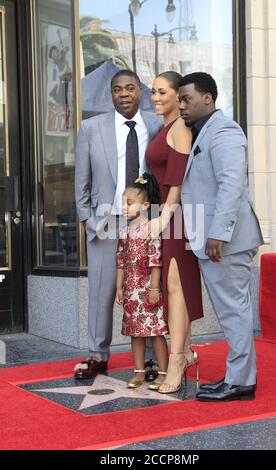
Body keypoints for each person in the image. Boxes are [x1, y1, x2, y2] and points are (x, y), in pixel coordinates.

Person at [178, 72, 264, 402]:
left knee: (233, 310)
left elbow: (232, 185)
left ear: (208, 98)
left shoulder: (224, 130)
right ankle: (237, 376)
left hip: (224, 240)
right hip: (216, 239)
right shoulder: (203, 132)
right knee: (231, 310)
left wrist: (217, 233)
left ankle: (241, 382)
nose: (181, 105)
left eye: (187, 98)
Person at [74, 70, 163, 380]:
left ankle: (151, 359)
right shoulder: (90, 127)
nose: (123, 94)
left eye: (129, 88)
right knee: (100, 291)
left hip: (144, 222)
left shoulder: (156, 125)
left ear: (140, 91)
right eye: (116, 90)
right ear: (111, 95)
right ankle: (97, 355)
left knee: (149, 290)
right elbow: (81, 179)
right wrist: (86, 217)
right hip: (105, 221)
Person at [145, 71, 203, 394]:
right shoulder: (164, 127)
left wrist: (163, 219)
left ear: (177, 94)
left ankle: (178, 359)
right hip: (166, 215)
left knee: (175, 286)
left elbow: (178, 179)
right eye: (152, 92)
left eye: (162, 91)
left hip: (177, 215)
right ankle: (187, 351)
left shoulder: (180, 126)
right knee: (172, 287)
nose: (155, 97)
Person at [115, 173, 169, 389]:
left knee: (155, 332)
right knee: (135, 332)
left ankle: (164, 372)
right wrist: (119, 287)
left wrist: (155, 288)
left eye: (129, 203)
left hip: (147, 290)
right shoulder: (123, 232)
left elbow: (156, 259)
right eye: (122, 202)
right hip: (131, 291)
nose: (124, 207)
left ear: (145, 205)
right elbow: (120, 261)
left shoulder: (150, 229)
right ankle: (138, 371)